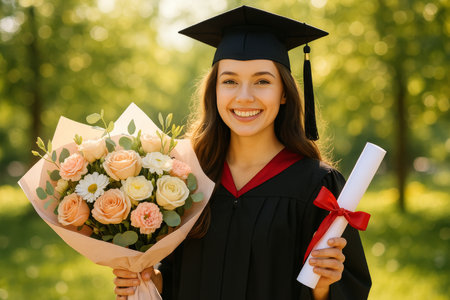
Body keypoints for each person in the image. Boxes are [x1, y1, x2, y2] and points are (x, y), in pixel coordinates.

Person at [113, 5, 371, 300]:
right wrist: (147, 284)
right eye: (230, 81)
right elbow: (174, 280)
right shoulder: (183, 179)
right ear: (215, 91)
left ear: (284, 92)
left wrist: (324, 286)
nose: (244, 96)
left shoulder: (317, 187)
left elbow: (349, 290)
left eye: (262, 81)